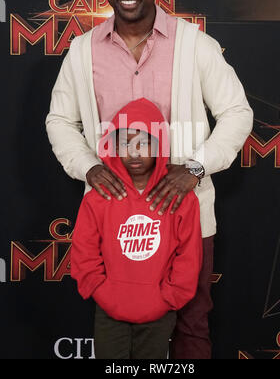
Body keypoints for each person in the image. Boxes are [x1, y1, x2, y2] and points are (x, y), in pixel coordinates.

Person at [46, 0, 253, 359]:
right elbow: (60, 120)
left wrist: (195, 167)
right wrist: (87, 166)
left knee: (192, 325)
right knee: (117, 332)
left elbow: (237, 112)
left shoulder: (194, 45)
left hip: (185, 215)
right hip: (112, 218)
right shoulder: (83, 50)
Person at [71, 98, 202, 359]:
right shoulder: (99, 197)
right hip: (109, 310)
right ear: (113, 147)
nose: (133, 152)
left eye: (143, 143)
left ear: (160, 146)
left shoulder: (180, 198)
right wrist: (100, 290)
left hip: (159, 311)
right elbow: (83, 251)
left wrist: (170, 297)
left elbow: (189, 255)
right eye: (125, 144)